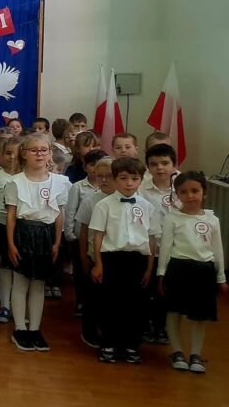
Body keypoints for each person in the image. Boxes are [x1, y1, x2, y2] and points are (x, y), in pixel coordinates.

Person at [89, 157, 159, 364]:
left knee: (135, 304)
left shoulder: (148, 207)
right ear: (115, 179)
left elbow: (152, 238)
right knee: (111, 303)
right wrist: (98, 264)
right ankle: (108, 343)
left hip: (138, 260)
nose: (129, 183)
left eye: (134, 179)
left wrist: (149, 268)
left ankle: (131, 344)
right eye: (123, 178)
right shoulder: (104, 205)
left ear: (141, 180)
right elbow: (98, 236)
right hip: (112, 259)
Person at [6, 133, 71, 352]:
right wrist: (11, 244)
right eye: (34, 150)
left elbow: (59, 214)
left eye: (44, 150)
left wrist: (57, 242)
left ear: (50, 153)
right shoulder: (16, 182)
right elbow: (11, 215)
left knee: (38, 284)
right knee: (21, 282)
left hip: (46, 234)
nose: (39, 154)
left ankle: (34, 328)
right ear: (24, 154)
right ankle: (19, 328)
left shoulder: (60, 182)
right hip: (24, 233)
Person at [159, 172, 227, 374]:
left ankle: (196, 354)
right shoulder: (172, 218)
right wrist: (161, 274)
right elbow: (165, 247)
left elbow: (218, 249)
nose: (190, 196)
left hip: (204, 271)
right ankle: (177, 351)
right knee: (174, 311)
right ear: (177, 195)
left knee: (200, 316)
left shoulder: (212, 220)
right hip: (178, 269)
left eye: (195, 191)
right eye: (184, 192)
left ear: (204, 193)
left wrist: (221, 277)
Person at [140, 144, 181, 343]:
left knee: (166, 290)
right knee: (146, 289)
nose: (160, 168)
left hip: (173, 249)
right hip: (148, 248)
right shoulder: (141, 189)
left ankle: (162, 327)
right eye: (154, 164)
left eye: (165, 163)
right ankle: (145, 325)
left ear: (174, 165)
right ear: (148, 167)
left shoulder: (182, 189)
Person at [76, 157, 116, 349]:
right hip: (95, 256)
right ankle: (89, 331)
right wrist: (84, 256)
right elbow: (83, 231)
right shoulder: (91, 201)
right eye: (100, 176)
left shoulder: (124, 199)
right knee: (94, 298)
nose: (104, 180)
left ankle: (110, 332)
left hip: (116, 256)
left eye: (109, 176)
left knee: (111, 299)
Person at [64, 149, 107, 317]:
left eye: (99, 164)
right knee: (81, 271)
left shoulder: (110, 188)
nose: (95, 168)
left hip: (99, 239)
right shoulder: (78, 187)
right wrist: (70, 235)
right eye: (91, 164)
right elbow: (70, 212)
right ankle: (81, 300)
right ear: (85, 167)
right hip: (79, 237)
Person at [0, 137, 23, 323]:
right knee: (5, 265)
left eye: (16, 153)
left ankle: (18, 306)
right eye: (8, 153)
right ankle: (5, 305)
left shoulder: (26, 177)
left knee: (20, 268)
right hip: (1, 225)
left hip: (23, 227)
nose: (12, 157)